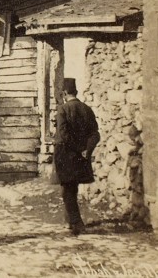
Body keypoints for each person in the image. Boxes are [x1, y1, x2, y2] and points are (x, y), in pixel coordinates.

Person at [54, 77, 100, 236]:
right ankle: (69, 221)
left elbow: (63, 134)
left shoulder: (63, 110)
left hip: (66, 155)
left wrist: (77, 149)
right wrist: (86, 150)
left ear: (64, 93)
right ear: (77, 92)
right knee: (70, 188)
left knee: (68, 188)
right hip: (80, 156)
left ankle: (76, 222)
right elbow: (95, 134)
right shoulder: (87, 109)